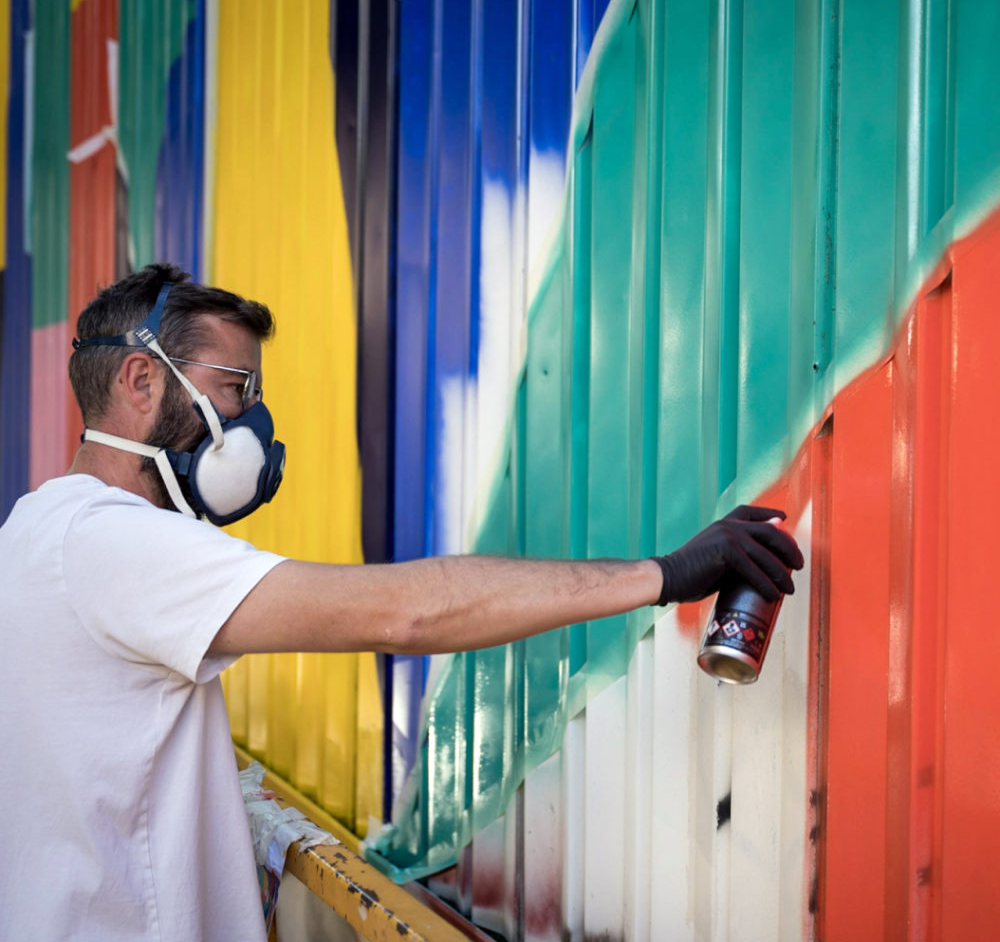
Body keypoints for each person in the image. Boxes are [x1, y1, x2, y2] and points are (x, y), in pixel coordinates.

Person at [0, 264, 803, 941]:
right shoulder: (116, 545)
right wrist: (661, 574)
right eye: (235, 387)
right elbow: (408, 614)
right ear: (141, 380)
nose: (250, 421)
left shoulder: (37, 528)